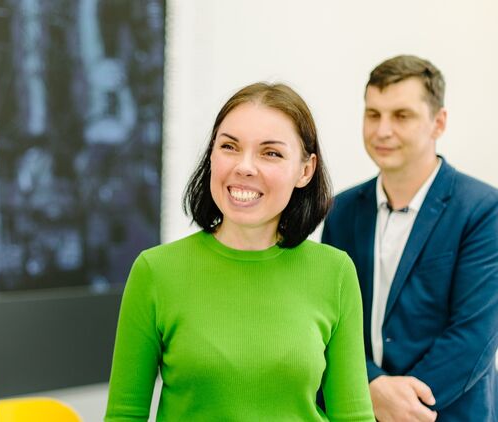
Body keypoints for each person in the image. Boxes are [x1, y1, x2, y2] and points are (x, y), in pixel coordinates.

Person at [105, 82, 374, 421]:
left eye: (270, 153)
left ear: (305, 170)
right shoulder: (155, 271)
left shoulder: (335, 272)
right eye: (229, 146)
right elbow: (124, 416)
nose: (245, 167)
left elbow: (354, 417)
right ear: (212, 156)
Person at [322, 55, 498, 421]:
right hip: (362, 409)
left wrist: (403, 406)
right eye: (373, 114)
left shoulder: (483, 209)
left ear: (439, 122)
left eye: (401, 116)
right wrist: (370, 387)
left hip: (449, 413)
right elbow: (329, 321)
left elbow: (473, 336)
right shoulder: (341, 210)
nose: (382, 130)